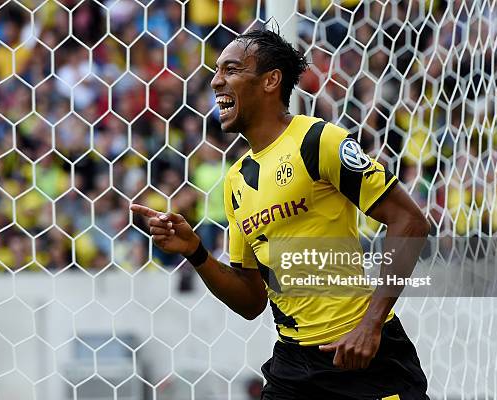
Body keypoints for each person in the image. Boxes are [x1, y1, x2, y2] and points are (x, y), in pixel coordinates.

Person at [131, 27, 431, 399]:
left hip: (364, 356)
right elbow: (251, 300)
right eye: (216, 70)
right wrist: (196, 252)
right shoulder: (236, 181)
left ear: (271, 81)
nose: (216, 80)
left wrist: (371, 325)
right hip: (294, 367)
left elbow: (410, 220)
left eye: (231, 69)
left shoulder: (317, 141)